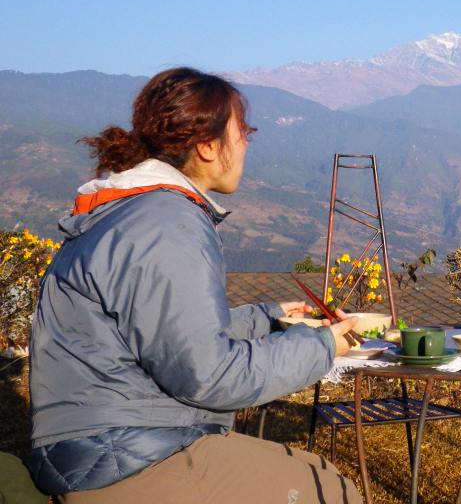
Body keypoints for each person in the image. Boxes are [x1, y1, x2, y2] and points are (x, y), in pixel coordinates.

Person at [26, 68, 362, 503]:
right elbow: (208, 377)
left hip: (94, 445)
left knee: (315, 471)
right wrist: (320, 348)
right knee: (327, 488)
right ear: (206, 146)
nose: (245, 146)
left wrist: (267, 320)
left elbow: (162, 335)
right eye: (243, 133)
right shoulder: (167, 222)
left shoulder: (128, 210)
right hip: (123, 457)